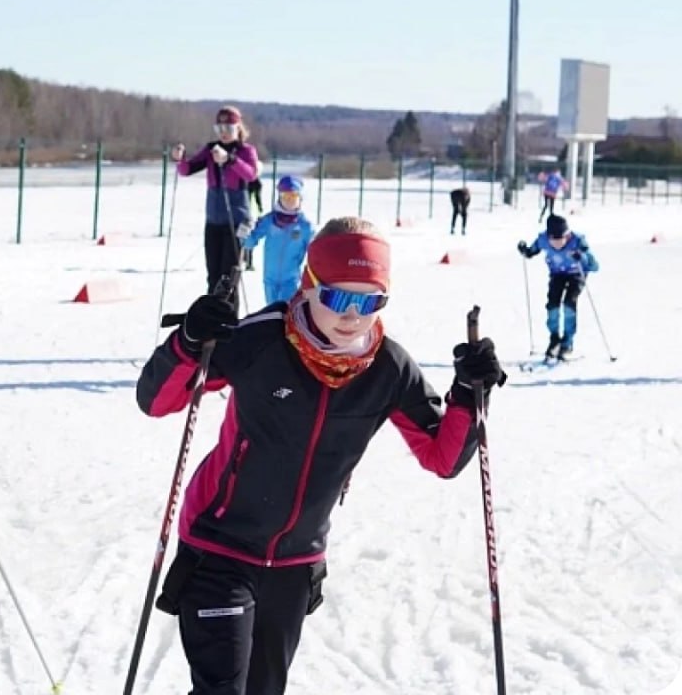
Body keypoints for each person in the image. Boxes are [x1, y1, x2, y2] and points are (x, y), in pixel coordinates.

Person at [136, 216, 505, 695]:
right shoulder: (260, 339)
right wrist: (188, 341)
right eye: (338, 296)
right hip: (218, 546)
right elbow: (156, 400)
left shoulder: (389, 368)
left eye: (370, 300)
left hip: (295, 563)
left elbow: (445, 457)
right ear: (309, 286)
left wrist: (469, 393)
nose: (352, 314)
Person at [171, 105, 260, 293]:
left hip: (236, 221)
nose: (224, 133)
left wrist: (230, 160)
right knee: (213, 275)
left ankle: (229, 318)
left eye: (228, 128)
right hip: (213, 220)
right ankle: (212, 317)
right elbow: (187, 170)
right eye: (219, 129)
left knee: (229, 276)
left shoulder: (245, 150)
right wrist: (180, 159)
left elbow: (251, 174)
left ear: (238, 128)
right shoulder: (212, 149)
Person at [517, 214, 599, 361]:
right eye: (553, 240)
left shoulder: (578, 241)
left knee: (569, 304)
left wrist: (581, 257)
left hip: (576, 274)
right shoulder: (543, 240)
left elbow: (594, 266)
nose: (557, 244)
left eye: (561, 239)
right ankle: (554, 338)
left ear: (567, 235)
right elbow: (532, 251)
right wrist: (525, 251)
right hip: (557, 275)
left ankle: (567, 343)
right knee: (552, 306)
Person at [240, 175, 313, 305]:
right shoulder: (269, 220)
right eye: (285, 196)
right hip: (270, 278)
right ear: (279, 197)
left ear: (300, 198)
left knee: (286, 310)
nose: (289, 201)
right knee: (271, 310)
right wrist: (244, 234)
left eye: (293, 197)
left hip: (290, 279)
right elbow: (250, 241)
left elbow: (314, 251)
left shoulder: (304, 226)